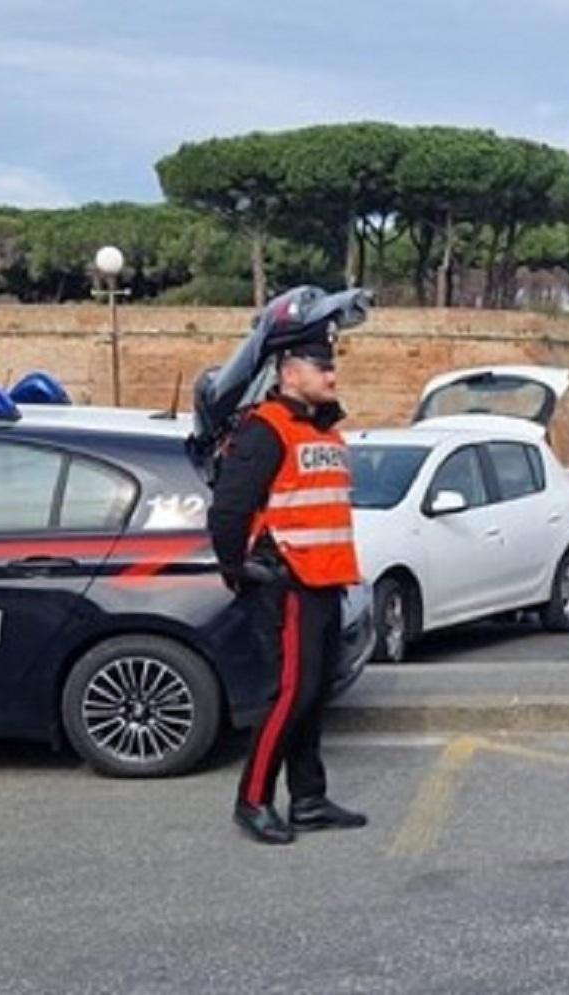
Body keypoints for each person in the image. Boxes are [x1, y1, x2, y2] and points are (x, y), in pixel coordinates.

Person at [207, 332, 369, 846]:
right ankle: (253, 801)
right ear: (288, 372)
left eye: (331, 365)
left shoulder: (323, 432)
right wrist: (237, 567)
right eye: (320, 367)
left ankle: (308, 798)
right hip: (289, 581)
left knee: (314, 694)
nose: (331, 375)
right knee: (290, 696)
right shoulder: (265, 429)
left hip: (325, 579)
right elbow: (229, 508)